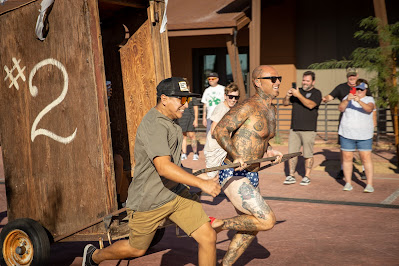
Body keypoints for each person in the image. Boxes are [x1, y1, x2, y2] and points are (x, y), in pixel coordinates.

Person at [82, 77, 221, 266]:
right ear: (164, 99)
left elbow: (172, 164)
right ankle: (94, 256)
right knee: (136, 249)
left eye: (187, 100)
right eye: (182, 100)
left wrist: (196, 173)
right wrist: (200, 183)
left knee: (208, 237)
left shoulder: (171, 121)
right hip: (150, 200)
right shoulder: (155, 124)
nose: (186, 106)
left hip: (175, 193)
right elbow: (163, 167)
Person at [211, 65, 283, 265]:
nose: (277, 82)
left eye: (279, 78)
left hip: (252, 173)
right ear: (258, 83)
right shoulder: (248, 106)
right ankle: (217, 224)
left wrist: (270, 151)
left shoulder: (271, 109)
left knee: (251, 228)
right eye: (273, 78)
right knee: (267, 220)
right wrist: (235, 155)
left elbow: (261, 139)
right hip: (234, 172)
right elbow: (220, 131)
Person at [282, 71, 322, 186]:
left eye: (307, 81)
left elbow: (311, 105)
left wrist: (298, 95)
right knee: (292, 153)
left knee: (308, 154)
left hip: (309, 129)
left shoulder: (316, 93)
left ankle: (307, 176)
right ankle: (291, 175)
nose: (304, 82)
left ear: (313, 82)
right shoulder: (296, 92)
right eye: (304, 80)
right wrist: (288, 96)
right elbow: (285, 103)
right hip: (294, 128)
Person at [338, 80, 375, 192]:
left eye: (361, 89)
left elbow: (369, 109)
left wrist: (359, 101)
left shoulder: (369, 99)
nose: (359, 91)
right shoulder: (347, 97)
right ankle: (348, 183)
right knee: (347, 158)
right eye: (357, 89)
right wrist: (347, 100)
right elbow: (340, 108)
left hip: (364, 135)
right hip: (347, 133)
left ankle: (369, 184)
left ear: (366, 90)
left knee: (365, 158)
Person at [322, 68, 358, 179]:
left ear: (357, 76)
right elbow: (330, 96)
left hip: (360, 122)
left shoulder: (362, 87)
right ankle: (343, 169)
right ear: (347, 77)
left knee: (362, 148)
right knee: (343, 148)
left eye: (353, 75)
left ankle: (363, 170)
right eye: (349, 76)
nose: (351, 78)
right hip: (345, 123)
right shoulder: (341, 87)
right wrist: (325, 98)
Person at [203, 83, 240, 179]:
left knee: (222, 176)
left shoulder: (230, 109)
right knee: (210, 177)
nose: (233, 100)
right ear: (225, 96)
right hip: (214, 149)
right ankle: (190, 186)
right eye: (231, 97)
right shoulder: (221, 109)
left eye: (236, 97)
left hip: (223, 148)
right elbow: (213, 131)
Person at [177, 78, 200, 161]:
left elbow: (196, 108)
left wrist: (196, 120)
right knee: (183, 136)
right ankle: (184, 153)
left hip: (190, 118)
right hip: (182, 118)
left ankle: (195, 153)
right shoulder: (179, 96)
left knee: (192, 136)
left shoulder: (191, 96)